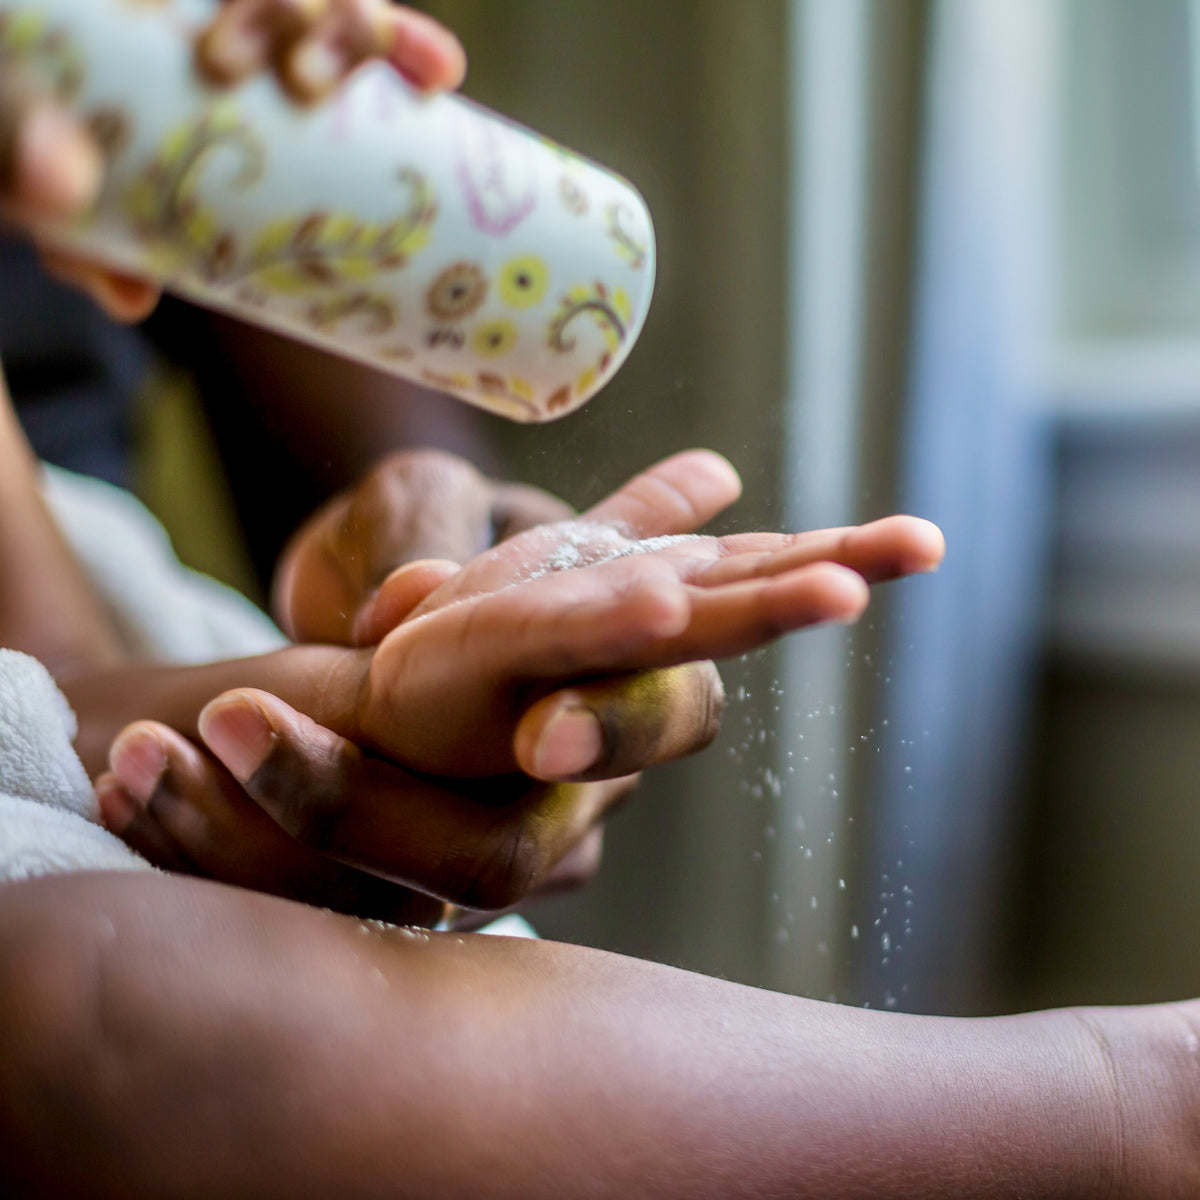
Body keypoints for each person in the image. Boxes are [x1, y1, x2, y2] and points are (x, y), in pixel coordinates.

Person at [3, 6, 1196, 1199]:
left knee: (149, 976)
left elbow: (75, 662)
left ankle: (1134, 1099)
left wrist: (426, 621)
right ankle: (1130, 1105)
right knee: (92, 986)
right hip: (83, 710)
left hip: (104, 643)